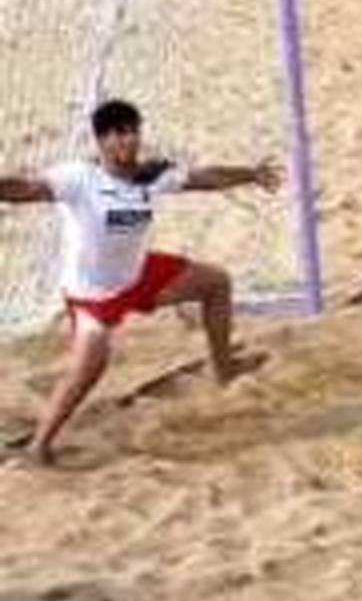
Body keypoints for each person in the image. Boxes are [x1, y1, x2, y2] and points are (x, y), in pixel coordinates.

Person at [0, 99, 279, 465]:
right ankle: (39, 446)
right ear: (101, 141)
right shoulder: (78, 178)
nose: (129, 140)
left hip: (138, 275)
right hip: (93, 295)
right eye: (119, 133)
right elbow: (26, 189)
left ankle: (223, 368)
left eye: (133, 131)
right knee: (89, 368)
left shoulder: (149, 174)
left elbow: (203, 178)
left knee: (216, 283)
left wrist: (251, 174)